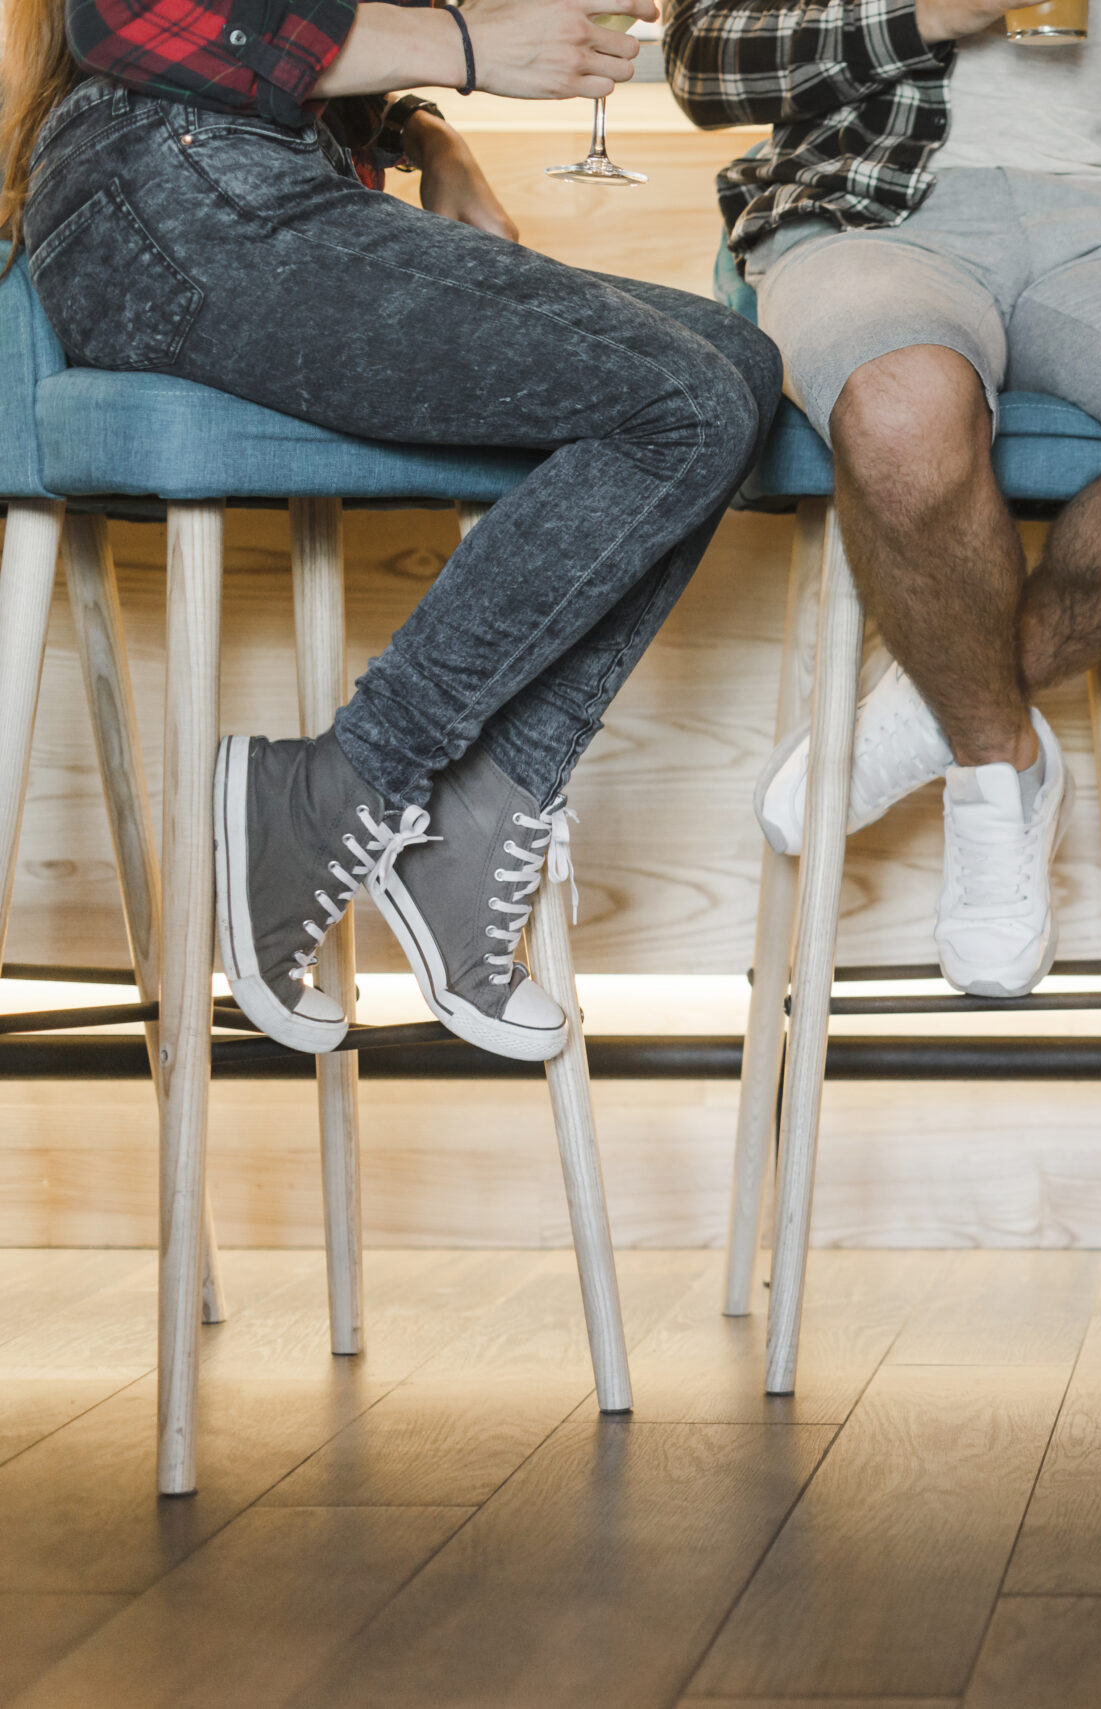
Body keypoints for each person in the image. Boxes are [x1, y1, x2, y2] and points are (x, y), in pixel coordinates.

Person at [0, 0, 783, 1062]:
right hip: (163, 190)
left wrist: (420, 135)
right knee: (680, 405)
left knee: (734, 369)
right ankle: (339, 783)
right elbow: (135, 19)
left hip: (259, 176)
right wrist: (468, 48)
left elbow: (286, 38)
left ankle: (479, 811)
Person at [671, 0, 1101, 997]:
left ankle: (934, 698)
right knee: (901, 408)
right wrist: (924, 15)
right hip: (874, 207)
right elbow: (703, 62)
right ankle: (996, 764)